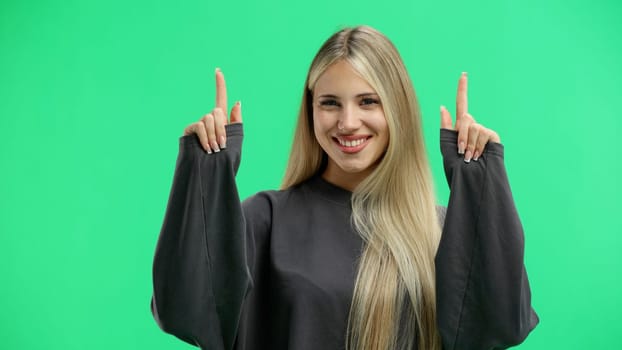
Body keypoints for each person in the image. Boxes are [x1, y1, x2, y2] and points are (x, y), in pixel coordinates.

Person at [150, 25, 539, 350]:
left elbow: (501, 324)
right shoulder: (265, 220)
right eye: (330, 103)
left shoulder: (439, 230)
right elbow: (182, 310)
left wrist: (479, 185)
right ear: (311, 111)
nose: (348, 122)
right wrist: (203, 179)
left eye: (368, 101)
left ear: (397, 109)